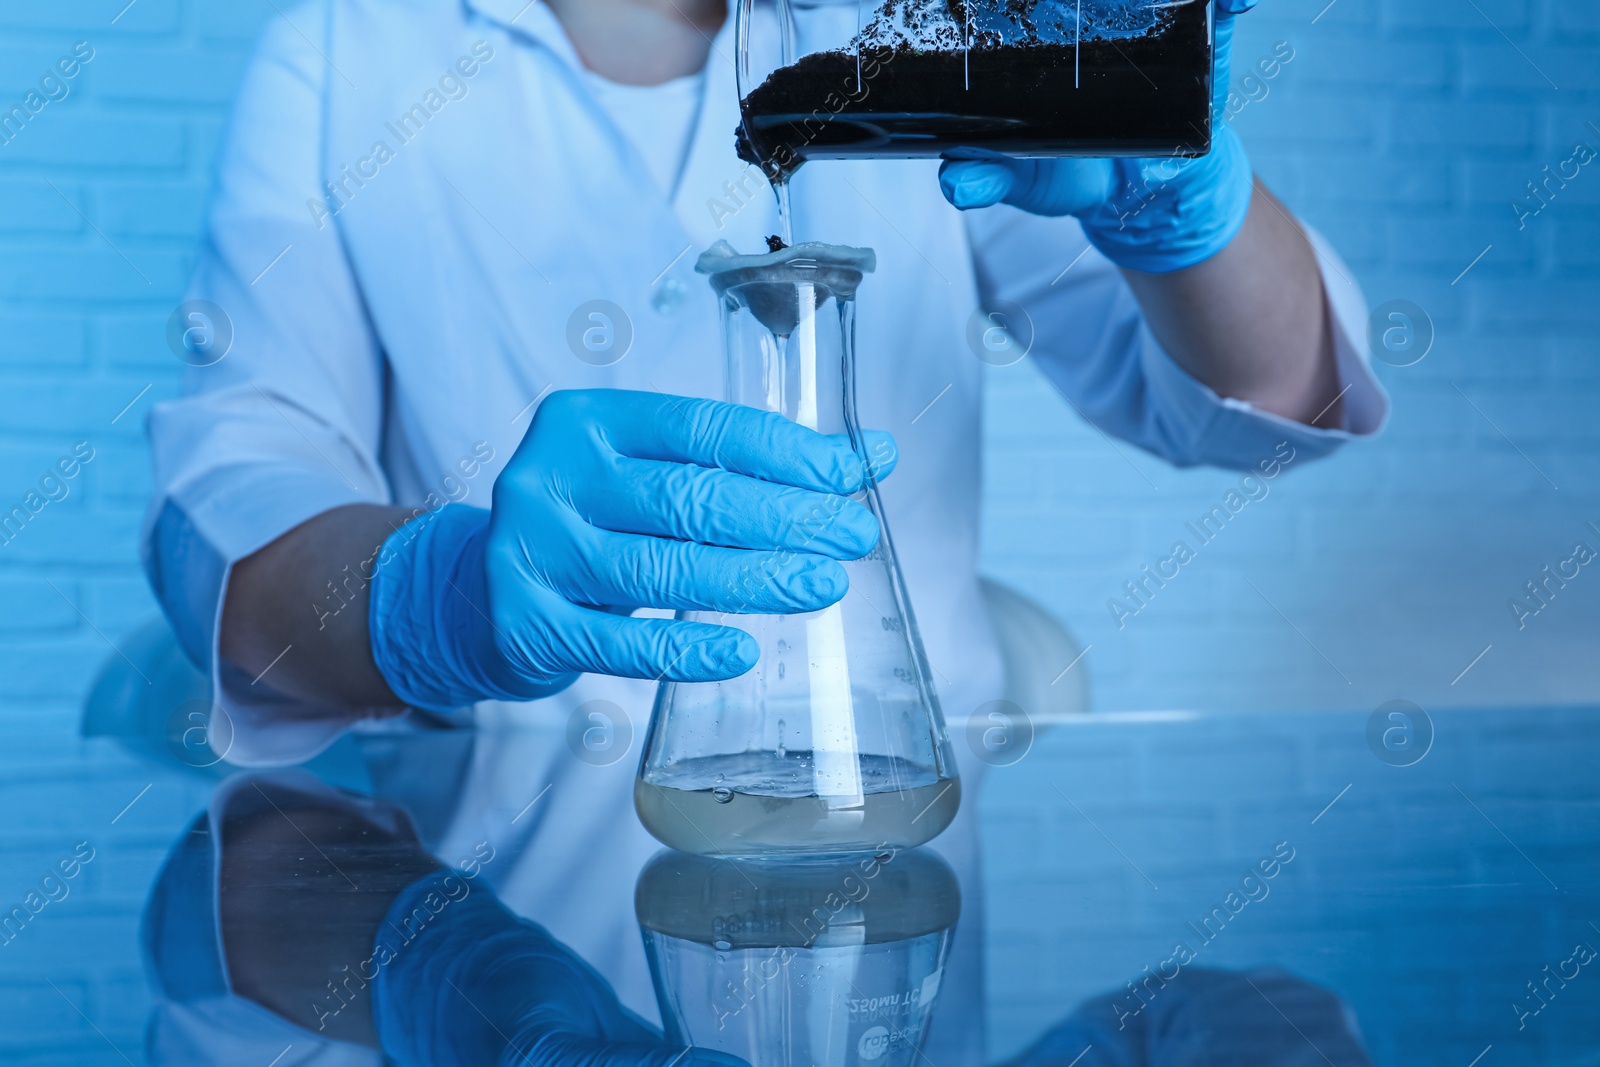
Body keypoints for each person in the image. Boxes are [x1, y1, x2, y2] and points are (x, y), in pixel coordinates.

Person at [143, 0, 1387, 1060]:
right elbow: (233, 504)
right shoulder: (351, 46)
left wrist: (1176, 192)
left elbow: (1282, 408)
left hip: (905, 870)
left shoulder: (928, 27)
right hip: (481, 882)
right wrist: (438, 594)